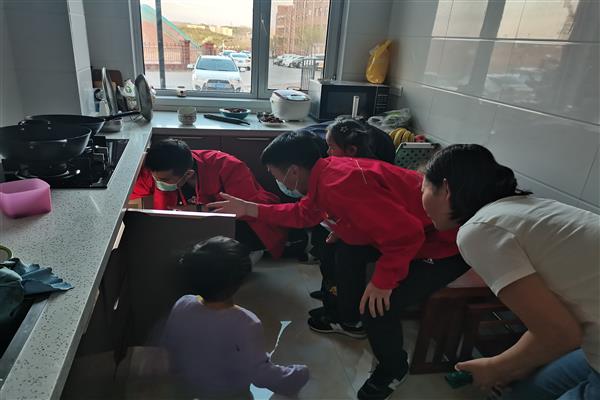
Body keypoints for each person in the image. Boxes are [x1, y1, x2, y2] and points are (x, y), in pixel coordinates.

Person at [207, 131, 470, 400]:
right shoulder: (325, 172)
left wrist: (382, 283)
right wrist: (249, 208)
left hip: (445, 242)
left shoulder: (338, 183)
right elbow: (304, 213)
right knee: (343, 251)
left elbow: (408, 235)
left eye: (277, 176)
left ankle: (393, 368)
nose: (279, 183)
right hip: (411, 228)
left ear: (294, 171)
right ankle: (349, 318)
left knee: (379, 306)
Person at [421, 144, 599, 399]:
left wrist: (495, 367)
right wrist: (516, 365)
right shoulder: (525, 207)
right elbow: (560, 327)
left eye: (424, 189)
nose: (422, 199)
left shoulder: (479, 230)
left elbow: (560, 333)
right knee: (527, 391)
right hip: (589, 346)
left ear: (446, 189)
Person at [162, 236, 309, 398]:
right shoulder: (245, 322)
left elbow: (170, 346)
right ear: (239, 282)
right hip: (227, 393)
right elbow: (259, 374)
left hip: (186, 386)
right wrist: (296, 375)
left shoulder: (182, 303)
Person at [130, 139, 288, 258]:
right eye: (155, 178)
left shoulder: (228, 166)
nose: (157, 182)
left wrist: (201, 210)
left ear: (188, 174)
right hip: (196, 228)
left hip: (242, 226)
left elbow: (250, 210)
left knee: (214, 261)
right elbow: (130, 192)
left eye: (164, 180)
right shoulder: (161, 168)